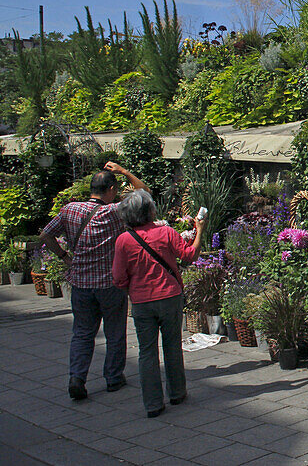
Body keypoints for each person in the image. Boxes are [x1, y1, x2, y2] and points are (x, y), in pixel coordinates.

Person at [39, 162, 147, 401]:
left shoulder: (70, 210)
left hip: (80, 284)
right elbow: (144, 194)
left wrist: (65, 257)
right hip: (110, 284)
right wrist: (126, 172)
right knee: (115, 333)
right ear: (109, 189)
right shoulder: (113, 212)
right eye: (115, 190)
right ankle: (113, 378)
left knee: (82, 333)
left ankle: (77, 377)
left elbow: (45, 234)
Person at [111, 189, 204, 417]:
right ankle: (177, 393)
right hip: (170, 296)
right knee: (172, 346)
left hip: (142, 302)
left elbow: (118, 277)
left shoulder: (124, 240)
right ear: (150, 210)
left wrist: (131, 286)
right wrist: (200, 230)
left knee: (147, 352)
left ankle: (153, 404)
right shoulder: (166, 232)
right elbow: (189, 255)